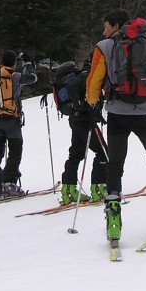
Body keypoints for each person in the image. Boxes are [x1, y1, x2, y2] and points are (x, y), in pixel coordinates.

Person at [85, 9, 146, 242]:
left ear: (116, 26)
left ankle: (113, 220)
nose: (103, 31)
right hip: (144, 112)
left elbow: (93, 83)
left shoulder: (104, 47)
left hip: (117, 113)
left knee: (115, 163)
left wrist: (93, 102)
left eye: (106, 26)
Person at [54, 60, 108, 205]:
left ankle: (68, 190)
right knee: (103, 151)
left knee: (76, 154)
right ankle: (98, 188)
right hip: (85, 120)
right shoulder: (84, 76)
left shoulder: (76, 77)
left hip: (75, 119)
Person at [0, 50, 37, 198]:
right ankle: (9, 183)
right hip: (11, 121)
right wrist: (27, 63)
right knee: (15, 151)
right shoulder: (14, 76)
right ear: (14, 63)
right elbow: (33, 78)